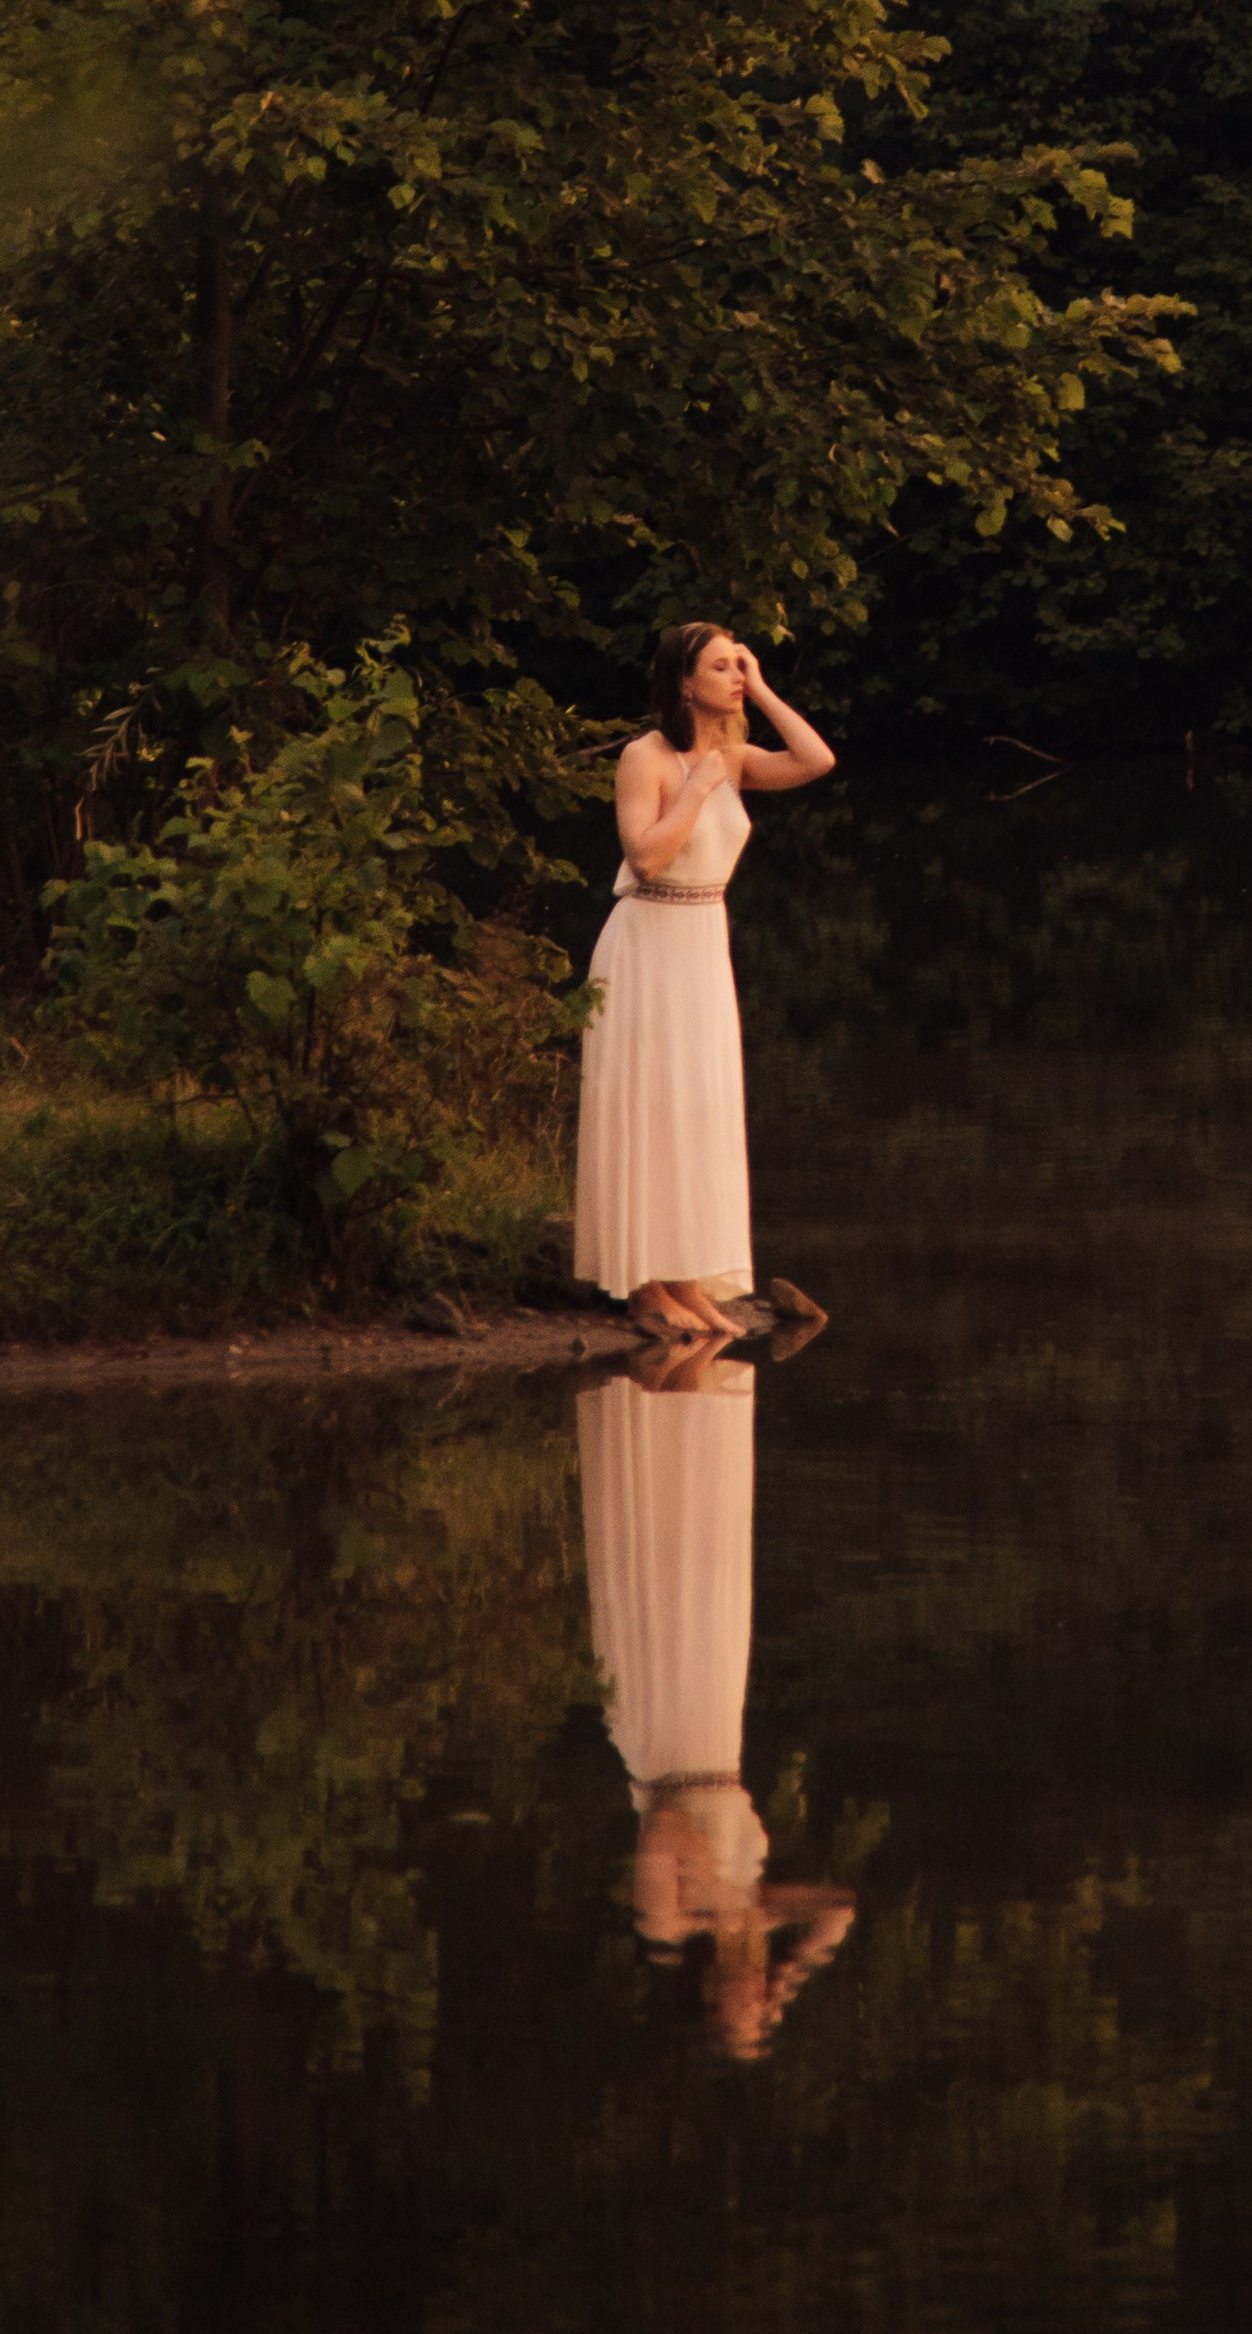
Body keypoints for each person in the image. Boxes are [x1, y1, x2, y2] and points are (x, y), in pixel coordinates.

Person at [579, 1338, 856, 2063]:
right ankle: (691, 1410)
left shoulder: (669, 1926)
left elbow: (664, 1827)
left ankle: (652, 1415)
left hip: (667, 1744)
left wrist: (724, 1904)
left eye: (746, 2015)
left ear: (711, 1998)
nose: (757, 2002)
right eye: (765, 2016)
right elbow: (839, 1910)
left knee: (664, 1584)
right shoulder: (757, 1916)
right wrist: (787, 1979)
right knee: (711, 1581)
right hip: (717, 1744)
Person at [574, 623, 835, 1343]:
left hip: (702, 943)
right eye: (721, 667)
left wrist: (763, 686)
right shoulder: (646, 757)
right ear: (684, 683)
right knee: (652, 1106)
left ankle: (687, 1276)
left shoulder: (734, 757)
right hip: (648, 944)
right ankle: (646, 1283)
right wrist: (695, 788)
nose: (736, 676)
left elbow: (816, 760)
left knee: (698, 1109)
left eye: (739, 665)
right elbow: (645, 859)